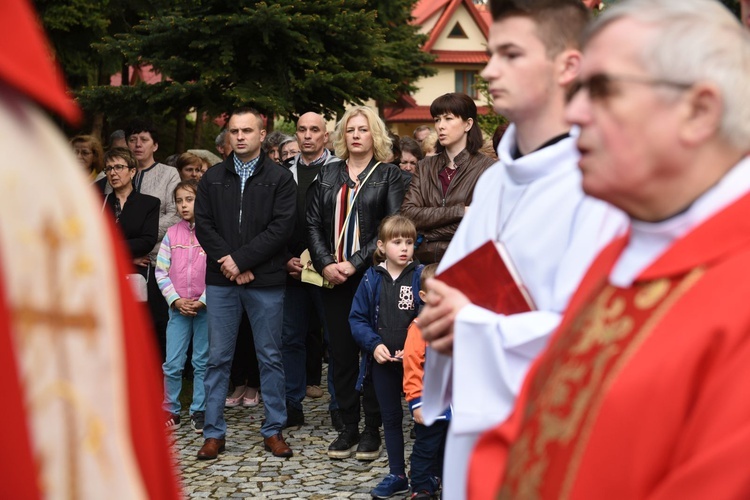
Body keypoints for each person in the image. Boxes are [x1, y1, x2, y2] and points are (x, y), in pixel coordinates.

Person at [468, 1, 750, 498]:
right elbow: (539, 417)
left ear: (698, 110)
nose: (575, 112)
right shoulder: (624, 253)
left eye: (601, 89)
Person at [416, 1, 627, 498]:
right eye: (491, 54)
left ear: (568, 65)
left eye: (510, 54)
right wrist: (443, 307)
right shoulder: (491, 184)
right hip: (477, 422)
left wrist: (469, 324)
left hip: (556, 436)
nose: (489, 71)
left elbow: (600, 338)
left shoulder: (600, 185)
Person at [195, 107, 296, 460]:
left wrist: (243, 260)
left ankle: (273, 429)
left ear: (261, 134)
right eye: (234, 131)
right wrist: (230, 262)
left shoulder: (280, 178)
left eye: (247, 131)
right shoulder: (212, 178)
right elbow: (204, 224)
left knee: (269, 356)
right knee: (218, 359)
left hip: (265, 281)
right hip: (223, 281)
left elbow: (281, 228)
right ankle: (213, 433)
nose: (239, 136)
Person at [307, 106, 406, 460]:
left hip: (372, 278)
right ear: (342, 136)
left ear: (374, 135)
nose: (356, 135)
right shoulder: (328, 174)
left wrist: (354, 263)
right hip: (332, 278)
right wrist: (325, 264)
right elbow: (314, 224)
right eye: (350, 130)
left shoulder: (390, 175)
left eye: (363, 130)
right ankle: (347, 426)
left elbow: (391, 226)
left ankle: (372, 429)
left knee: (375, 351)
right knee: (341, 353)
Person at [350, 215, 424, 498]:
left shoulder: (419, 276)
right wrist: (374, 345)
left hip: (417, 365)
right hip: (383, 364)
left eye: (409, 242)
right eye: (397, 242)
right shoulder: (370, 279)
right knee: (391, 418)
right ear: (381, 246)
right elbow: (357, 319)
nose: (404, 248)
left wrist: (416, 346)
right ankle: (397, 474)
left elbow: (429, 314)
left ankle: (426, 473)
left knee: (423, 419)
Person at [102, 120, 181, 361]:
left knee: (152, 322)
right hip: (116, 265)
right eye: (133, 139)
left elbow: (174, 214)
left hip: (154, 259)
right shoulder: (104, 184)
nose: (138, 144)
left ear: (155, 145)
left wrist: (144, 239)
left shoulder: (168, 175)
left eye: (144, 139)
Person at [281, 112, 340, 429]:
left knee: (334, 339)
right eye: (301, 130)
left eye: (314, 130)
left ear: (325, 136)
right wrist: (285, 259)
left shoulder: (340, 171)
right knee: (291, 337)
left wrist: (324, 260)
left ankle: (338, 405)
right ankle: (292, 404)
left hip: (327, 266)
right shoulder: (282, 174)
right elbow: (274, 223)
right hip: (291, 268)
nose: (307, 136)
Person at [401, 93, 495, 265]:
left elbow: (482, 222)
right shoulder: (424, 166)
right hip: (424, 266)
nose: (440, 126)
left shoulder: (488, 169)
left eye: (448, 118)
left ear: (468, 124)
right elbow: (408, 214)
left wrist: (428, 231)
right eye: (437, 120)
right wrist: (461, 211)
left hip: (466, 263)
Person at [156, 180, 208, 435]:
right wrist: (175, 299)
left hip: (204, 309)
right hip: (178, 309)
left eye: (189, 199)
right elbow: (161, 271)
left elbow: (218, 271)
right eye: (179, 200)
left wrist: (204, 299)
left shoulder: (210, 233)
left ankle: (199, 408)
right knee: (173, 362)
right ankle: (171, 408)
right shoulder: (171, 234)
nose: (184, 205)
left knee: (202, 361)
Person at [402, 263, 448, 500]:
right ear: (424, 296)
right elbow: (412, 367)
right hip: (430, 401)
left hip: (455, 404)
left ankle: (446, 482)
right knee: (426, 447)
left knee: (448, 449)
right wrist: (416, 401)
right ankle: (420, 486)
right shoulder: (419, 329)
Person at [100, 147, 160, 267]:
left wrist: (108, 247)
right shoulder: (98, 202)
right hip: (103, 270)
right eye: (109, 168)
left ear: (132, 172)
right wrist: (129, 259)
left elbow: (147, 242)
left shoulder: (149, 203)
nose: (112, 173)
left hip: (133, 274)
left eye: (118, 167)